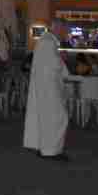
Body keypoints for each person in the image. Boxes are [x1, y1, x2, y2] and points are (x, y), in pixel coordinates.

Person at [23, 19, 69, 161]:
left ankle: (44, 147)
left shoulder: (46, 41)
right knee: (57, 118)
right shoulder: (48, 42)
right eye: (64, 30)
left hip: (46, 88)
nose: (65, 33)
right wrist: (62, 58)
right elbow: (54, 65)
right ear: (57, 28)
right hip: (49, 90)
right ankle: (51, 150)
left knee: (47, 118)